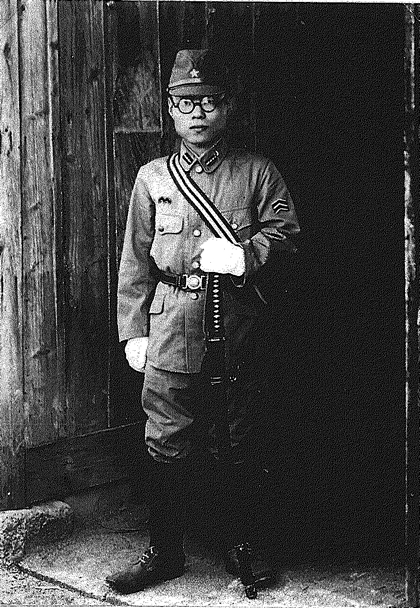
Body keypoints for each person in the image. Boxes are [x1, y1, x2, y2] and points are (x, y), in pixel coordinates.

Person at [106, 48, 300, 596]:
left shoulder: (257, 172)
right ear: (170, 109)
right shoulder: (152, 178)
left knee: (238, 435)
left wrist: (247, 255)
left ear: (227, 108)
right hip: (170, 324)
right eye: (186, 104)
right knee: (165, 436)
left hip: (236, 326)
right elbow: (135, 259)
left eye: (209, 102)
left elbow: (289, 235)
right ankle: (165, 552)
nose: (198, 114)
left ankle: (244, 547)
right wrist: (133, 330)